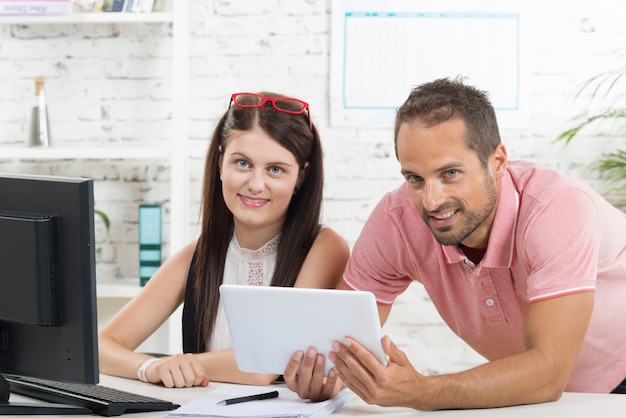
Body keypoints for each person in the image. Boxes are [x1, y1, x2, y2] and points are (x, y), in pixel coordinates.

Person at [283, 77, 626, 409]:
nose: (431, 201)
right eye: (415, 178)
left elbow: (548, 373)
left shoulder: (555, 208)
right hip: (538, 396)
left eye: (450, 174)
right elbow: (338, 342)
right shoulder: (396, 219)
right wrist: (325, 375)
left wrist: (420, 392)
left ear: (498, 162)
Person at [99, 92, 350, 388]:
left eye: (276, 169)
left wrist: (182, 364)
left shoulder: (324, 248)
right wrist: (150, 367)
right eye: (242, 163)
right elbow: (101, 346)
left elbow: (261, 366)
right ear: (220, 163)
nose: (255, 184)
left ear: (301, 177)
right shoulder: (196, 257)